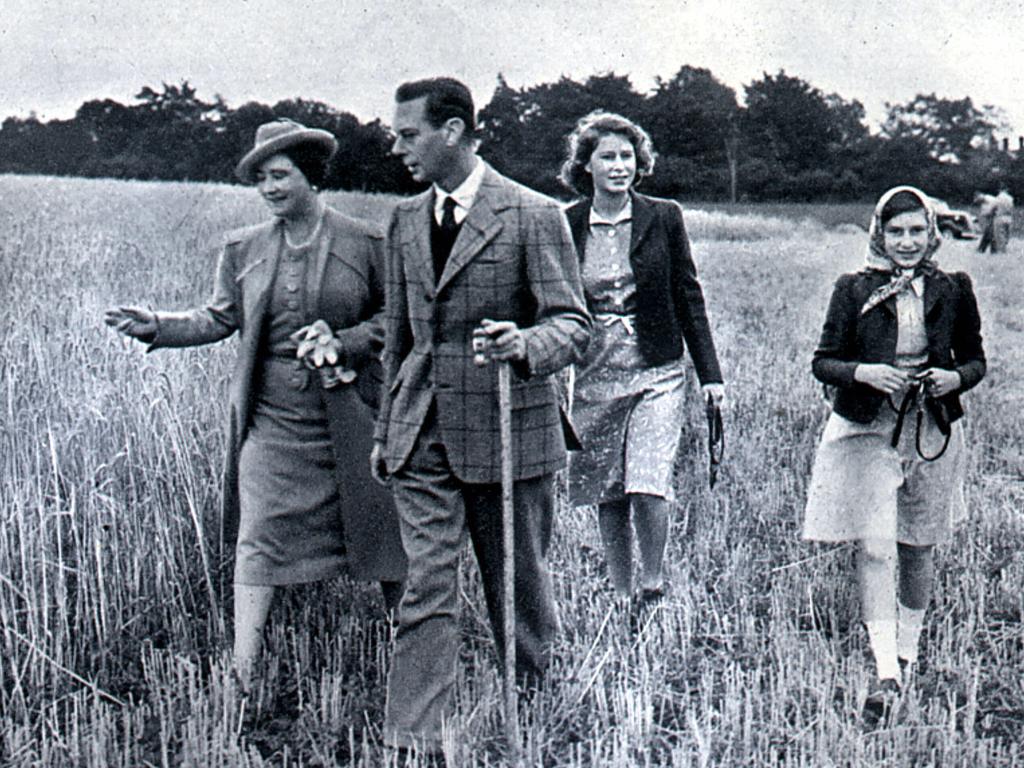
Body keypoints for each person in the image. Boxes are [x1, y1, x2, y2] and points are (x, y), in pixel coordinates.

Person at [105, 118, 406, 688]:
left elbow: (397, 318)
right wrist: (159, 326)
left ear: (311, 176)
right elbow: (218, 317)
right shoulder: (243, 248)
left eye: (280, 175)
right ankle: (243, 669)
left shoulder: (367, 242)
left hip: (352, 408)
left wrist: (347, 341)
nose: (268, 188)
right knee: (260, 530)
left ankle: (408, 643)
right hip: (271, 417)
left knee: (380, 526)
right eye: (261, 179)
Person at [371, 77, 591, 757]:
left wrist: (526, 344)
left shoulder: (532, 214)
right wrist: (386, 430)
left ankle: (534, 705)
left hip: (508, 428)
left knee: (516, 582)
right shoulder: (405, 220)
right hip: (422, 429)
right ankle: (411, 739)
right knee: (426, 586)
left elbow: (573, 325)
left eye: (409, 134)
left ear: (456, 131)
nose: (397, 146)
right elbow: (400, 340)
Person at [802, 186, 986, 721]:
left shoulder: (952, 288)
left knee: (917, 546)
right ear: (879, 235)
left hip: (930, 430)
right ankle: (886, 668)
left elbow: (975, 359)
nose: (906, 242)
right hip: (866, 428)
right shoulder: (852, 288)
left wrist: (954, 378)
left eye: (916, 231)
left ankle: (908, 649)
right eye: (895, 231)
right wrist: (864, 372)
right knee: (876, 547)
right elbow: (824, 361)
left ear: (932, 233)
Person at [559, 112, 725, 605]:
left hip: (657, 368)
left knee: (648, 482)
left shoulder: (663, 216)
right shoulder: (566, 223)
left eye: (626, 156)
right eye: (607, 157)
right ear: (586, 165)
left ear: (640, 163)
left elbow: (688, 295)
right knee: (607, 488)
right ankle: (620, 588)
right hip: (594, 369)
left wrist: (710, 375)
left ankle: (652, 585)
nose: (618, 166)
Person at [993, 186, 1014, 252]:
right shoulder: (1010, 198)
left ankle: (1002, 250)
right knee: (1007, 233)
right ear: (1006, 190)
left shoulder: (998, 198)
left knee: (1000, 234)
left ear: (1000, 190)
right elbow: (1012, 208)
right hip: (1009, 217)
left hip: (1000, 217)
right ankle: (1005, 246)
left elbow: (994, 207)